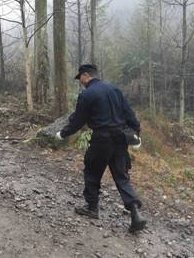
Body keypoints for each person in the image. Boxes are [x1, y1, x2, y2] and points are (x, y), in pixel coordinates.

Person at [56, 64, 146, 232]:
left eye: (80, 78)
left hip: (101, 139)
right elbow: (129, 114)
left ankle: (92, 208)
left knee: (92, 171)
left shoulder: (87, 94)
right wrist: (137, 134)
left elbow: (78, 120)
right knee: (121, 176)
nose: (80, 82)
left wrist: (63, 133)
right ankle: (135, 212)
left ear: (86, 75)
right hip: (120, 139)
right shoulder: (114, 89)